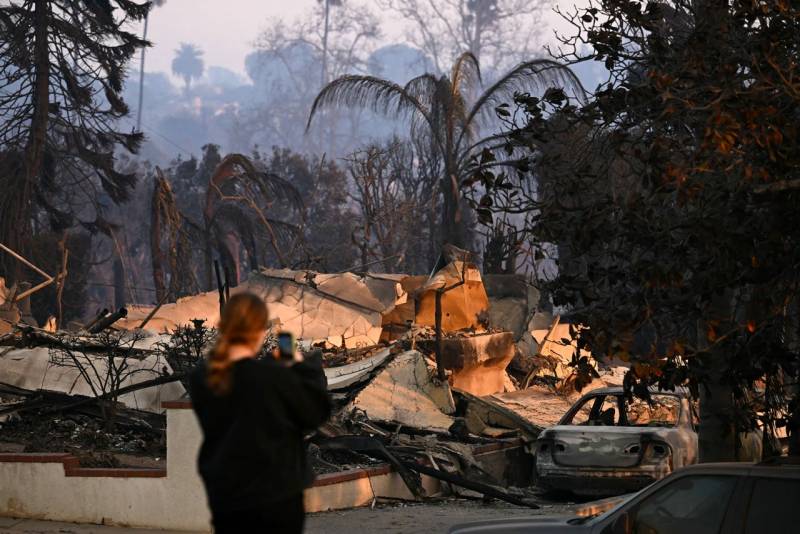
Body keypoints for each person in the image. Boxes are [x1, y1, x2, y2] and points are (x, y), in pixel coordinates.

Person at [189, 292, 331, 533]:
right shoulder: (271, 377)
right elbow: (315, 413)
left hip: (226, 496)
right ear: (259, 330)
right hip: (276, 496)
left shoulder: (203, 378)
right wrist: (298, 367)